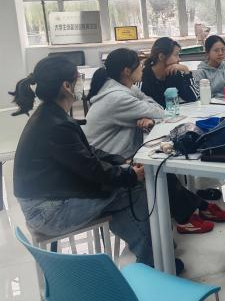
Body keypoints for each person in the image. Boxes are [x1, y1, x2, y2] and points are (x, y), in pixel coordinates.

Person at [10, 56, 153, 266]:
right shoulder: (56, 124)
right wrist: (130, 174)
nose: (81, 83)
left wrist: (122, 160)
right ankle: (152, 259)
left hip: (46, 201)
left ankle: (146, 252)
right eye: (79, 78)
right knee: (132, 189)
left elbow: (87, 153)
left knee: (119, 188)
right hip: (47, 212)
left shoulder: (50, 115)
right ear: (66, 86)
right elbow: (92, 169)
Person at [85, 48, 225, 233]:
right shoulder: (117, 97)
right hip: (109, 163)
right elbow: (161, 111)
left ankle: (194, 209)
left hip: (116, 155)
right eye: (138, 64)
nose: (142, 67)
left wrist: (147, 113)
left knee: (159, 167)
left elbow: (153, 104)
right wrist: (148, 112)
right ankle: (189, 215)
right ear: (127, 71)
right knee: (157, 169)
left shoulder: (122, 88)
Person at [140, 37, 197, 107]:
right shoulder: (143, 76)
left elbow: (193, 97)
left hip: (171, 113)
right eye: (176, 55)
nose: (179, 59)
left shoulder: (174, 73)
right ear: (161, 56)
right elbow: (138, 104)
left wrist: (186, 71)